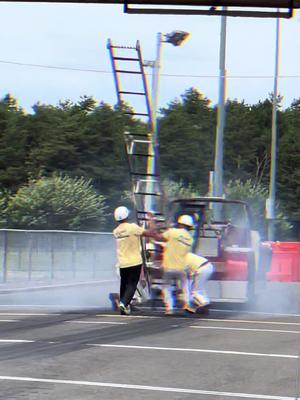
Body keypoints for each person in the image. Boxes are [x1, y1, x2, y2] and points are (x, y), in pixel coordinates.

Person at [113, 206, 153, 315]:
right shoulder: (132, 228)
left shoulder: (116, 231)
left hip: (121, 264)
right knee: (139, 292)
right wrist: (150, 222)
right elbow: (147, 233)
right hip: (133, 263)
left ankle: (125, 304)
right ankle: (122, 303)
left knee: (128, 287)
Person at [151, 214, 194, 315]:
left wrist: (153, 225)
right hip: (182, 267)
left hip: (169, 266)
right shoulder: (190, 239)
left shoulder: (173, 232)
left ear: (180, 223)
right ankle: (187, 303)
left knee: (166, 287)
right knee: (185, 287)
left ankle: (169, 308)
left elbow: (159, 237)